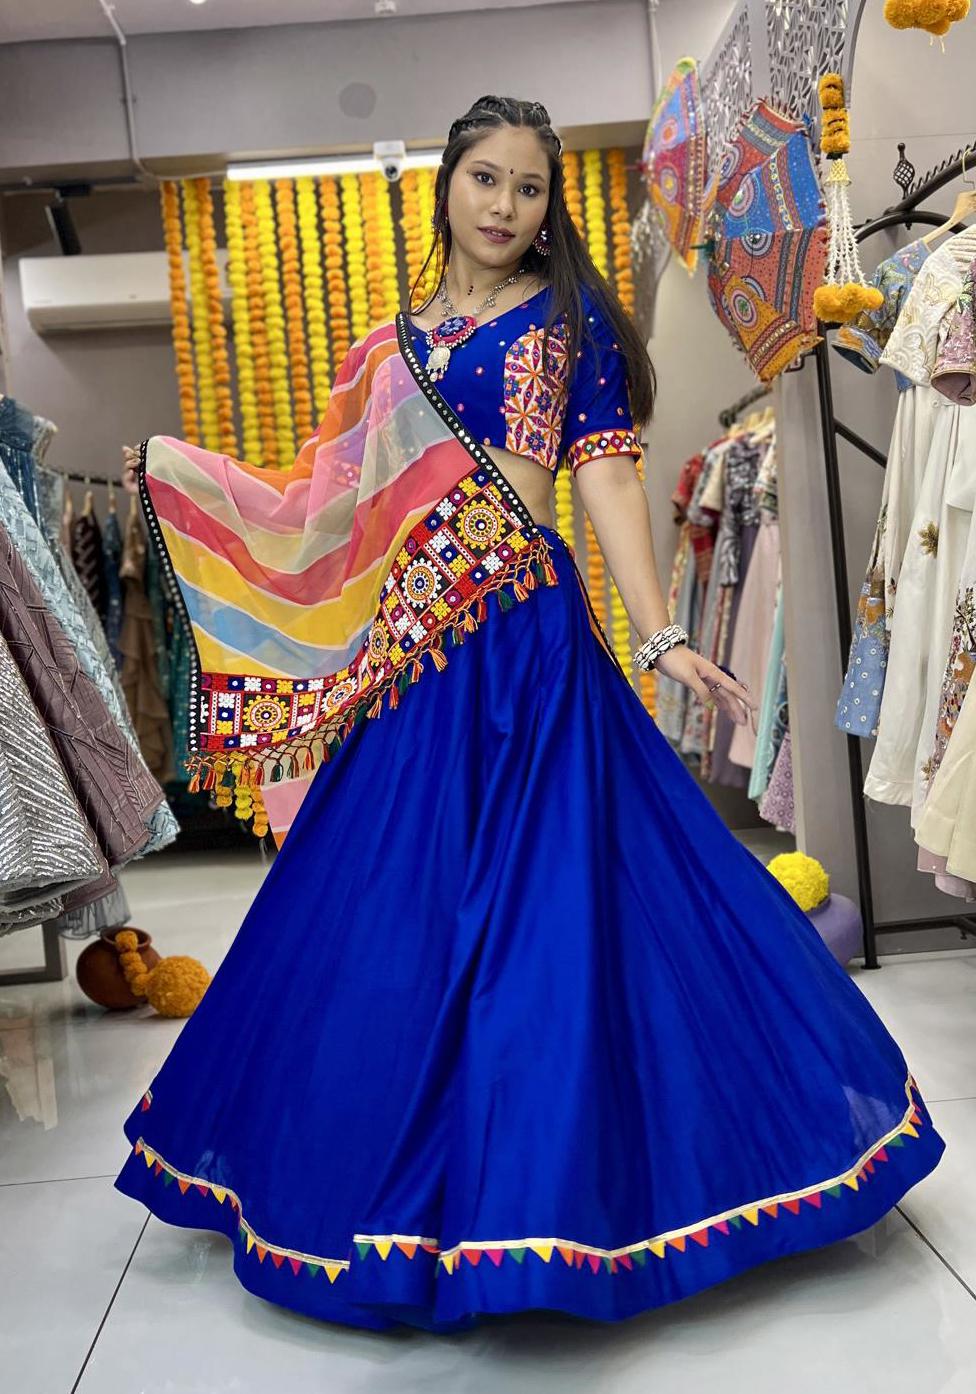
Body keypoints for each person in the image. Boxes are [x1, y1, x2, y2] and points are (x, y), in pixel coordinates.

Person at [114, 95, 944, 1334]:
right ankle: (384, 1179)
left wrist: (660, 631)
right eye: (486, 178)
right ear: (446, 184)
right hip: (416, 651)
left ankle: (556, 1192)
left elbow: (604, 470)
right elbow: (324, 507)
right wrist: (189, 478)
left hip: (527, 639)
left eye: (529, 186)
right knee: (394, 903)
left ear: (551, 206)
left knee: (560, 904)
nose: (505, 204)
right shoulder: (386, 348)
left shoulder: (568, 323)